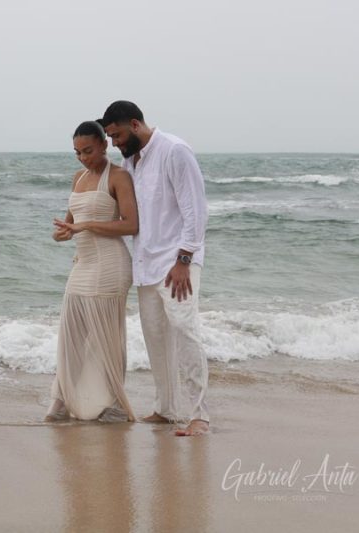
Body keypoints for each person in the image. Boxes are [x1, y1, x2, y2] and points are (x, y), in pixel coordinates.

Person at [100, 100, 210, 436]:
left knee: (185, 332)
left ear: (135, 124)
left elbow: (196, 210)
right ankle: (166, 408)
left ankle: (199, 415)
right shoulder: (130, 160)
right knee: (156, 338)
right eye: (110, 138)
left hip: (177, 262)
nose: (115, 143)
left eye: (117, 135)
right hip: (146, 264)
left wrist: (184, 259)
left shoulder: (174, 151)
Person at [45, 120, 138, 423]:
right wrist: (63, 234)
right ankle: (61, 401)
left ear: (104, 145)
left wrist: (84, 226)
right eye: (76, 153)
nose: (83, 157)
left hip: (110, 265)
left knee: (106, 338)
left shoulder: (120, 177)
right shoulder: (78, 177)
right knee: (70, 334)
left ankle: (114, 404)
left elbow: (131, 224)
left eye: (88, 150)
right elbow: (73, 221)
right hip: (82, 264)